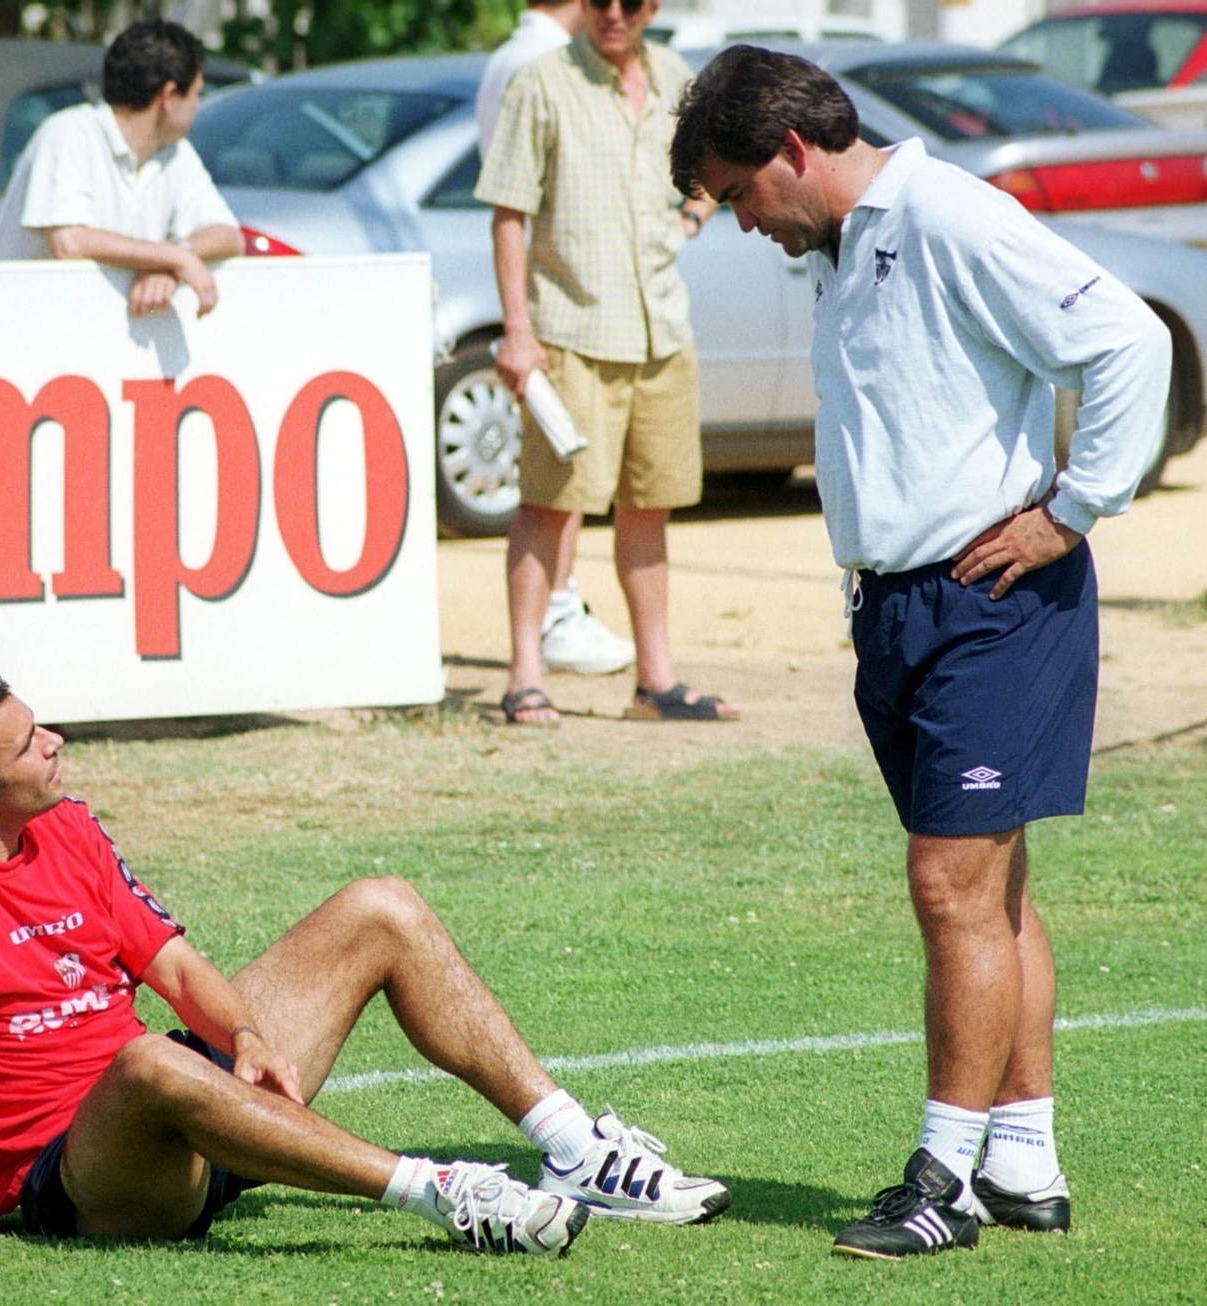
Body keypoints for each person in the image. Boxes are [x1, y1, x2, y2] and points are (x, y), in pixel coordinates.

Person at [0, 667, 731, 1253]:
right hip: (73, 1182)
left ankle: (573, 1150)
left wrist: (244, 1034)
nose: (56, 743)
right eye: (30, 742)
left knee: (380, 907)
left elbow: (175, 964)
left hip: (194, 1107)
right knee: (149, 1063)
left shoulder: (68, 825)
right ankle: (444, 1192)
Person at [670, 46, 1172, 1259]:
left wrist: (1071, 511)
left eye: (739, 193)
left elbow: (1127, 339)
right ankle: (1023, 1159)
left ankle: (940, 1179)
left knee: (950, 884)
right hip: (900, 606)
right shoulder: (841, 243)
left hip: (990, 598)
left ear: (793, 149)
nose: (743, 223)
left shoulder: (945, 214)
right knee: (989, 888)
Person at [474, 0, 737, 725]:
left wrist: (691, 215)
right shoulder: (541, 82)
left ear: (655, 6)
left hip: (661, 329)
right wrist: (518, 332)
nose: (612, 13)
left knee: (650, 505)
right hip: (571, 331)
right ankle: (524, 677)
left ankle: (656, 681)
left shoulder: (677, 77)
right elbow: (507, 213)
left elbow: (717, 167)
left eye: (629, 0)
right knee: (548, 504)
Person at [477, 0, 636, 679]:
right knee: (557, 487)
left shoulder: (512, 57)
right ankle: (557, 612)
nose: (614, 11)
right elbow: (516, 202)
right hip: (559, 304)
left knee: (566, 481)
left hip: (558, 300)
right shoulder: (542, 64)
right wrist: (520, 324)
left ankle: (560, 610)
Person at [0, 18, 244, 318]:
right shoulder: (68, 132)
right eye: (196, 94)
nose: (198, 106)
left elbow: (229, 236)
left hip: (83, 331)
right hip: (14, 329)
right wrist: (171, 257)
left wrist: (171, 262)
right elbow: (70, 242)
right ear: (168, 96)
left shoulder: (176, 152)